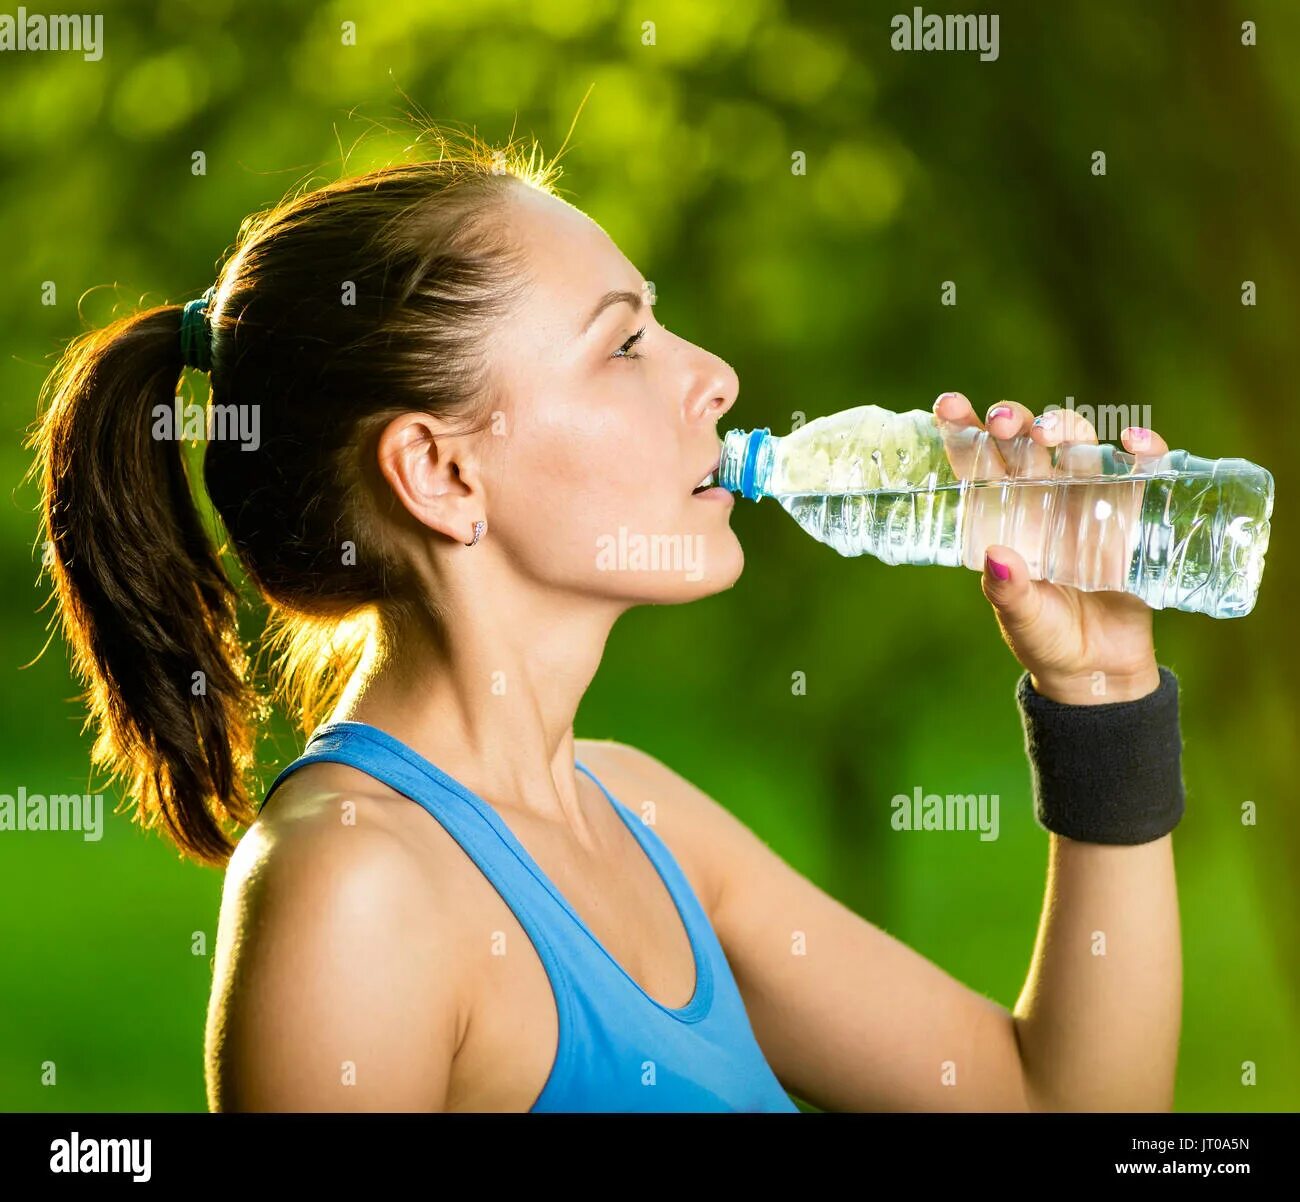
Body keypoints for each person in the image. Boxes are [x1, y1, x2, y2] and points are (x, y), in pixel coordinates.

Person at [30, 130, 1183, 1113]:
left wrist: (1101, 692)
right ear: (439, 475)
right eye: (623, 343)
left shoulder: (645, 813)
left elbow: (1050, 1097)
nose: (717, 376)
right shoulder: (355, 892)